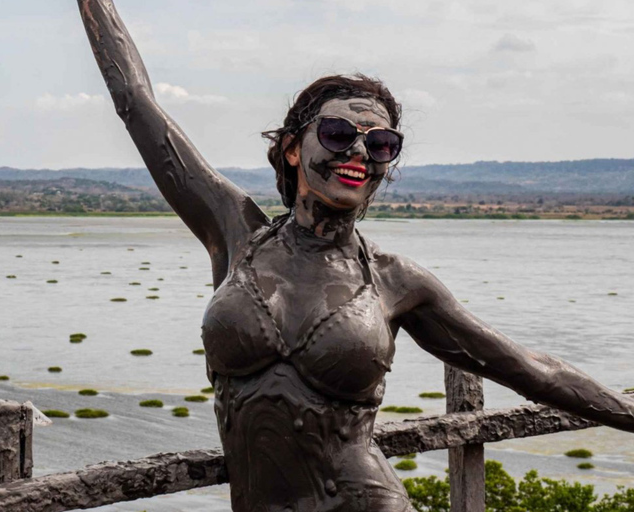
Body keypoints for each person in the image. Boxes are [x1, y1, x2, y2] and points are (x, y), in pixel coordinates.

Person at [77, 2, 634, 510]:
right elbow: (136, 102)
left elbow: (532, 370)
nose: (360, 153)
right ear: (294, 148)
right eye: (340, 133)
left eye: (381, 144)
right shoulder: (235, 232)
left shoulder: (396, 283)